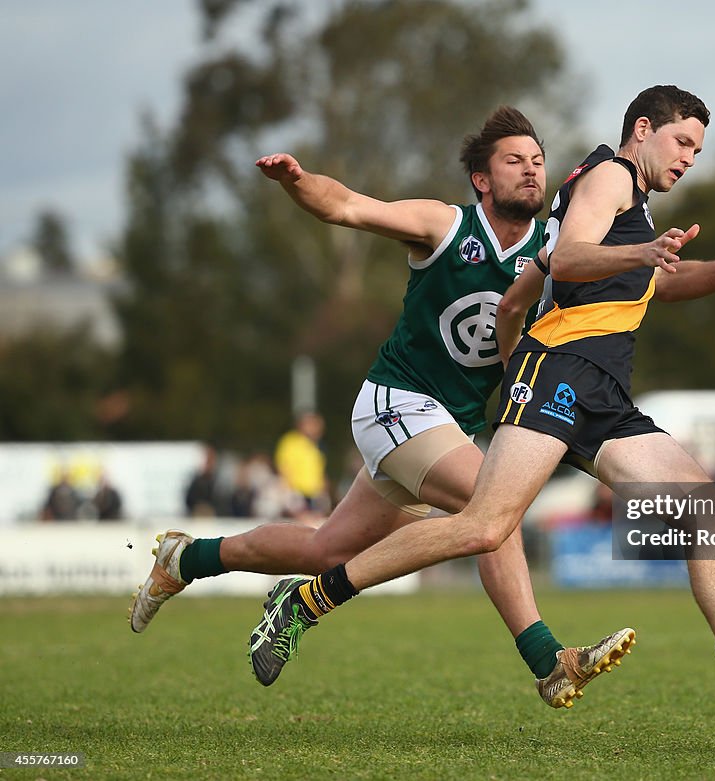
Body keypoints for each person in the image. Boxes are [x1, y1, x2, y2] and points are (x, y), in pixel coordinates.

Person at [250, 86, 715, 722]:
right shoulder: (610, 177)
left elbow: (572, 290)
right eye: (681, 142)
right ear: (641, 129)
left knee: (702, 509)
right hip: (562, 370)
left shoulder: (627, 208)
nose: (689, 159)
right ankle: (307, 601)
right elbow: (568, 259)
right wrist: (639, 256)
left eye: (697, 150)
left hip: (603, 392)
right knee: (486, 526)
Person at [129, 106, 633, 710]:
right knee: (490, 508)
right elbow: (347, 205)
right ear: (481, 178)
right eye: (513, 161)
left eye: (537, 161)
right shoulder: (445, 225)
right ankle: (549, 660)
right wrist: (298, 181)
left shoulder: (556, 252)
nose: (531, 171)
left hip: (445, 430)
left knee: (326, 551)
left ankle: (187, 558)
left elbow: (637, 284)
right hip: (396, 404)